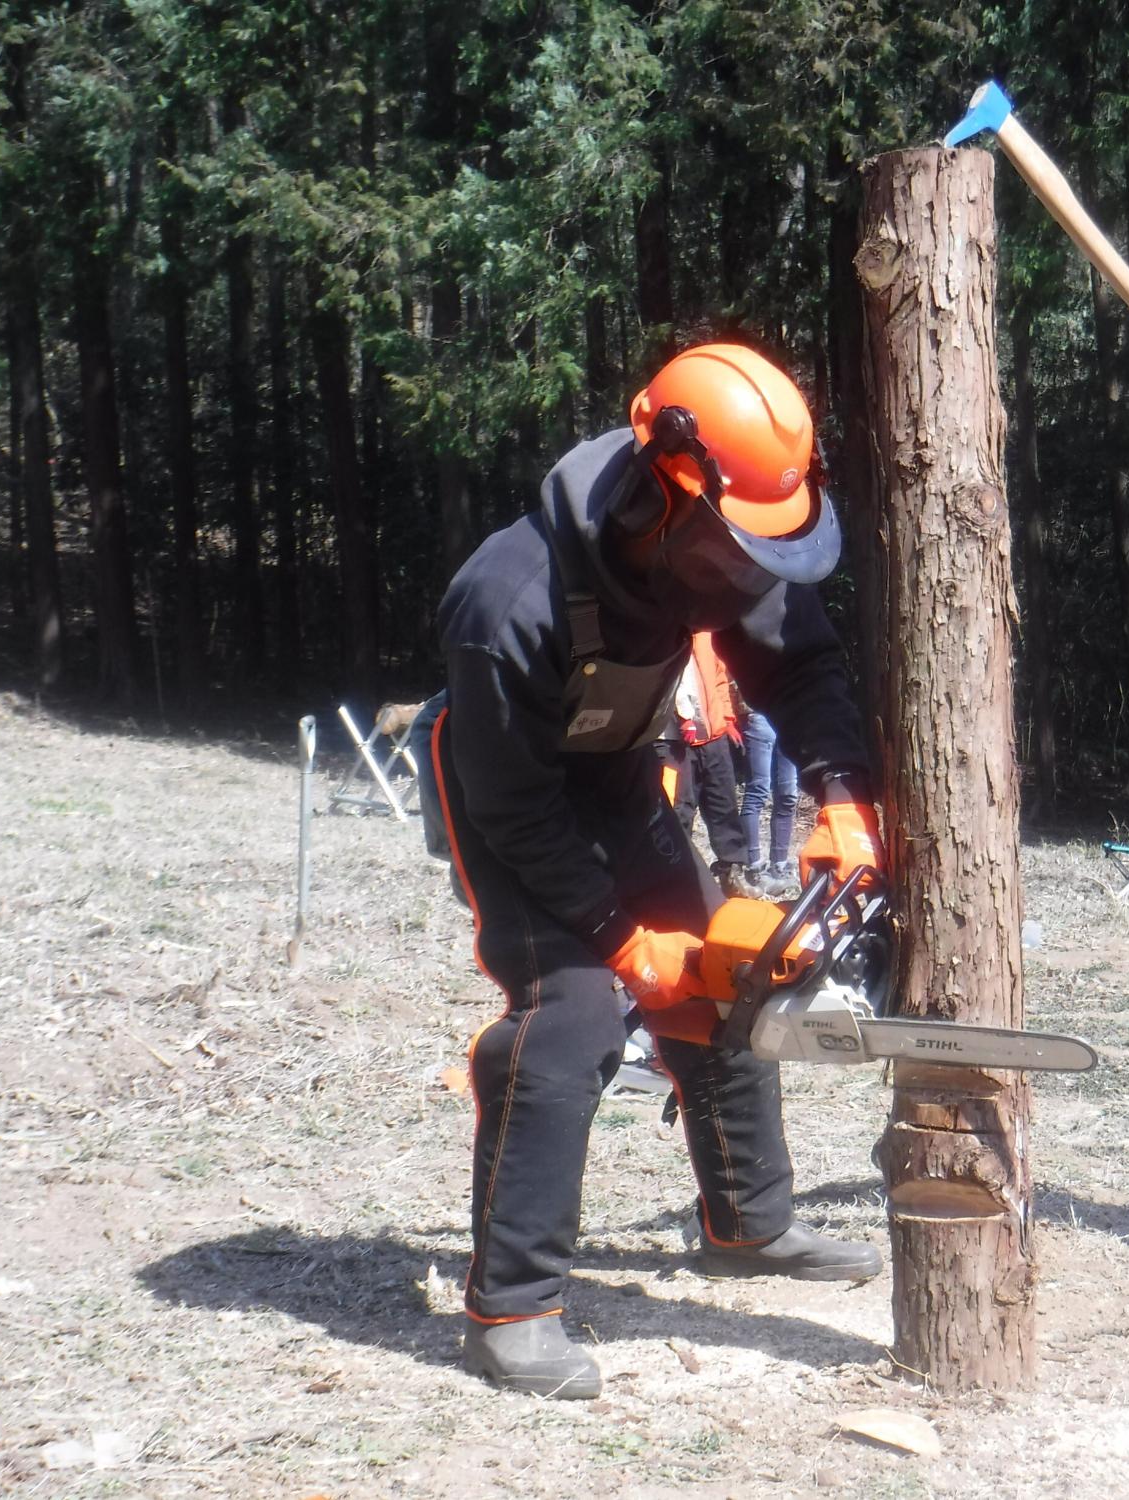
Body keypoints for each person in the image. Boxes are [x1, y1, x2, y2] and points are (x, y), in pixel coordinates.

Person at [432, 342, 887, 1397]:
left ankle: (747, 1224)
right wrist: (617, 935)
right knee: (574, 1011)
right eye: (730, 554)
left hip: (621, 772)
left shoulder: (724, 538)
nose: (744, 577)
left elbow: (802, 660)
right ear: (661, 495)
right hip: (513, 796)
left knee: (723, 978)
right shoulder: (508, 601)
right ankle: (509, 1310)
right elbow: (512, 805)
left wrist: (842, 791)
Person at [667, 632, 762, 896]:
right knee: (679, 811)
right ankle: (678, 884)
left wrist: (728, 720)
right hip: (676, 740)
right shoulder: (668, 631)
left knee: (724, 805)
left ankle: (732, 874)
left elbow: (720, 677)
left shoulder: (707, 635)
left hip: (714, 736)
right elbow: (669, 679)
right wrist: (683, 716)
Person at [737, 698, 803, 898]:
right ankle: (754, 868)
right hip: (759, 714)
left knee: (788, 794)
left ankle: (779, 866)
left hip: (789, 716)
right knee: (758, 790)